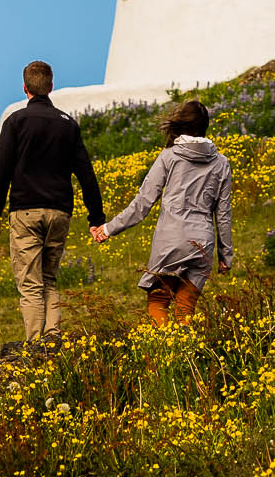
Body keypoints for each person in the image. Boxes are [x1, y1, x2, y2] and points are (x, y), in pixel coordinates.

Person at [0, 60, 107, 342]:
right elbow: (86, 174)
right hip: (59, 212)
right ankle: (53, 340)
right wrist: (96, 218)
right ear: (51, 87)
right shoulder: (68, 125)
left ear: (25, 88)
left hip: (26, 211)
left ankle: (35, 345)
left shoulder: (15, 122)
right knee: (49, 278)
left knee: (30, 283)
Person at [91, 99, 232, 324]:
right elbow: (223, 214)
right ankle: (187, 355)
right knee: (186, 309)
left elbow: (143, 203)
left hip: (171, 241)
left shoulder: (169, 156)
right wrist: (226, 256)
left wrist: (108, 229)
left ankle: (163, 354)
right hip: (203, 244)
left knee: (158, 302)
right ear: (205, 126)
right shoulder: (222, 163)